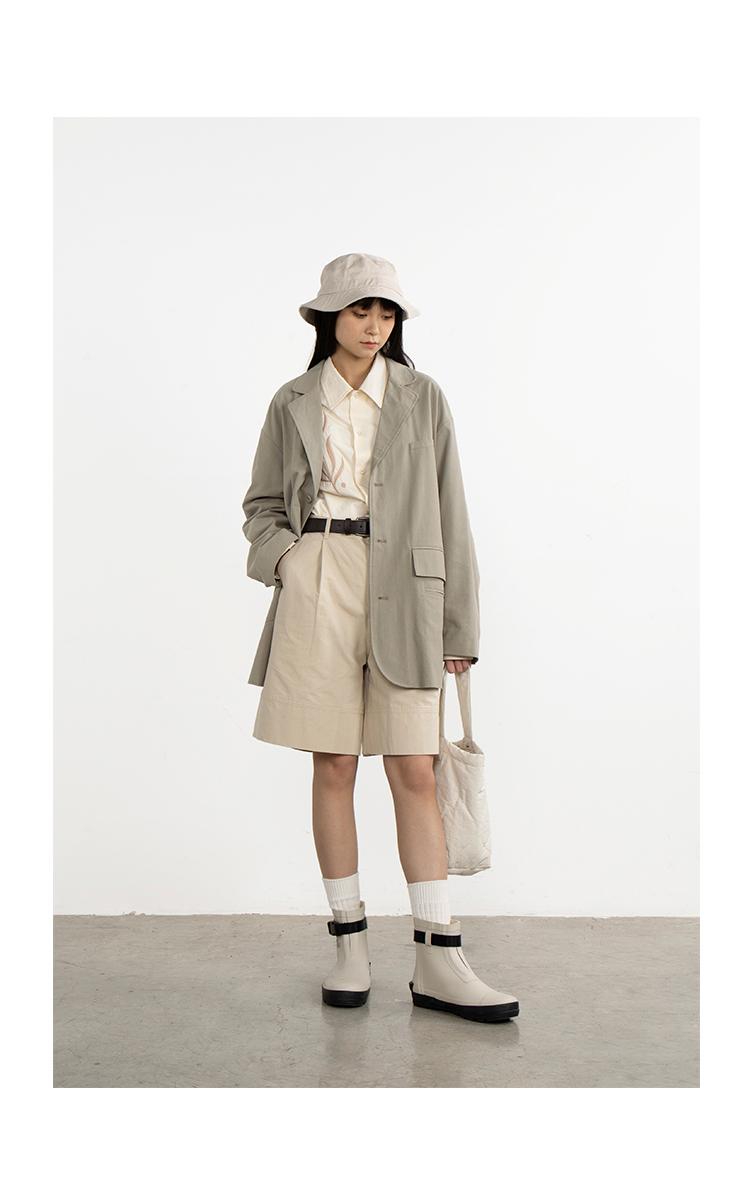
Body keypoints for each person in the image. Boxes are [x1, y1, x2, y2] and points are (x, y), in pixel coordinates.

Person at [241, 253, 519, 1023]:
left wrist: (458, 623)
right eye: (360, 310)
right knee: (333, 763)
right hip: (320, 578)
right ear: (329, 316)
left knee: (415, 768)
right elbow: (261, 504)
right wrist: (289, 561)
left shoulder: (423, 397)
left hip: (408, 586)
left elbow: (451, 509)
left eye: (386, 312)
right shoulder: (293, 400)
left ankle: (439, 956)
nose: (374, 325)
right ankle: (349, 943)